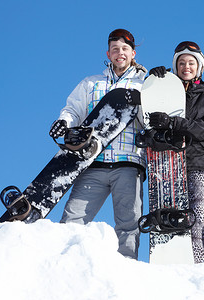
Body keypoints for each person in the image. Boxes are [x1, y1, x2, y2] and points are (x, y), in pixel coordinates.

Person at [49, 29, 147, 259]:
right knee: (73, 220)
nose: (119, 53)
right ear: (108, 53)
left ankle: (126, 268)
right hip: (93, 163)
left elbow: (150, 120)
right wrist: (64, 122)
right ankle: (64, 266)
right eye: (115, 49)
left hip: (128, 163)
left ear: (133, 53)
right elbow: (73, 109)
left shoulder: (144, 82)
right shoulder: (91, 83)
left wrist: (144, 99)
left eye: (124, 49)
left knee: (128, 223)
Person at [148, 41, 204, 263]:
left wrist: (175, 123)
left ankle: (196, 267)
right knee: (169, 219)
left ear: (199, 67)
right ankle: (168, 265)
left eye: (191, 63)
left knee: (195, 220)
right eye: (181, 63)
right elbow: (148, 116)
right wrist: (153, 83)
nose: (186, 67)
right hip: (167, 161)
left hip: (199, 163)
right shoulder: (165, 92)